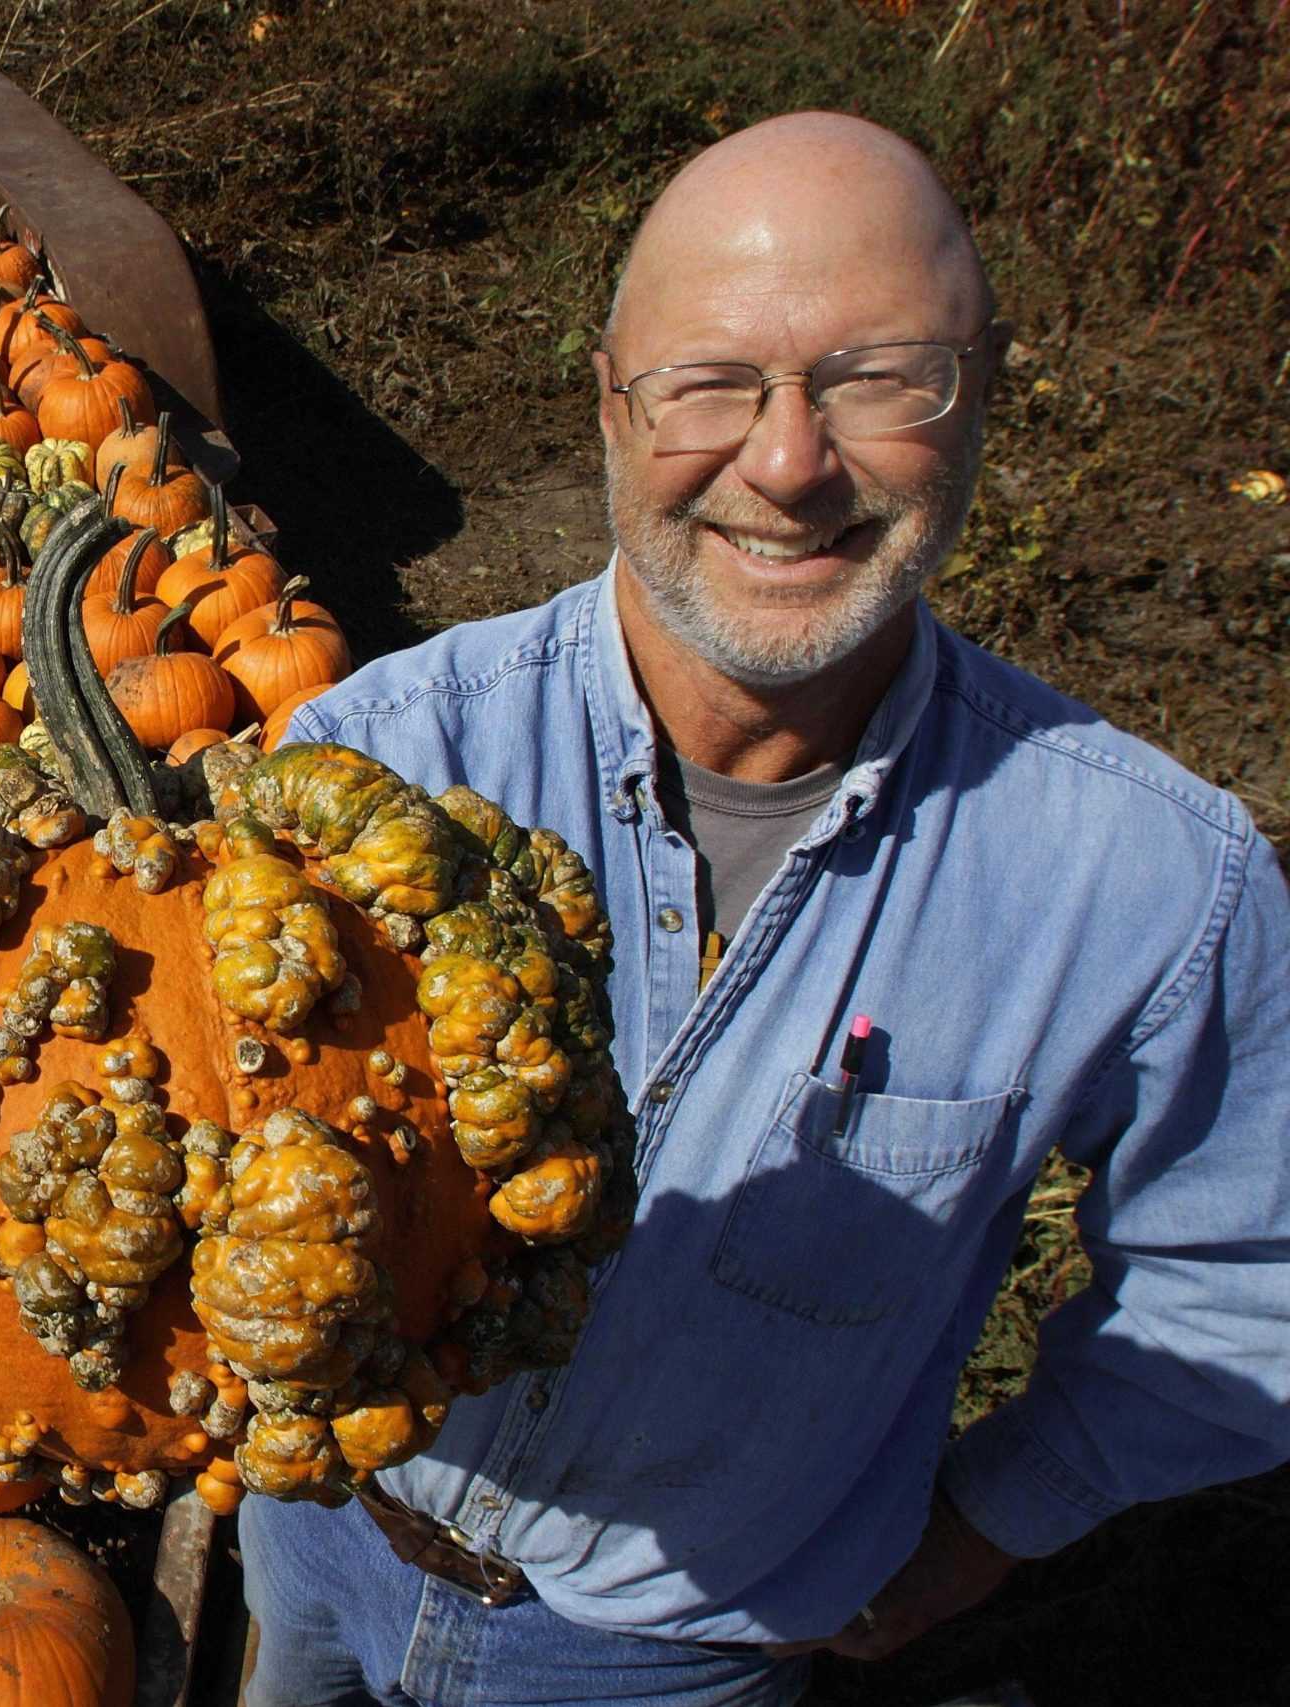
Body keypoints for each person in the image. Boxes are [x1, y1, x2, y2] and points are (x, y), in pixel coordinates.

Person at [244, 111, 1290, 1707]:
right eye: (711, 382)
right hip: (323, 1534)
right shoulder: (374, 758)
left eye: (879, 378)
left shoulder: (1146, 882)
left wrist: (992, 1527)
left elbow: (1250, 1277)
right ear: (608, 398)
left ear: (983, 386)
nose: (790, 462)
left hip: (679, 1653)